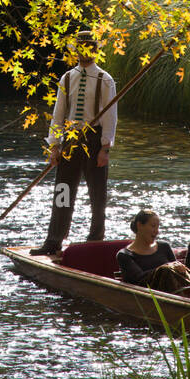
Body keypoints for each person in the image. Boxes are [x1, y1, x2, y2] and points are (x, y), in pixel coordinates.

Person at [30, 30, 117, 256]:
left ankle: (95, 241)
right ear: (76, 50)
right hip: (70, 140)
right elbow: (59, 114)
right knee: (63, 191)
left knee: (97, 194)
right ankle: (54, 241)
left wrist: (105, 148)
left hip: (94, 140)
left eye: (89, 47)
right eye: (81, 47)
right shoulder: (67, 77)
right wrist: (55, 145)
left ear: (96, 50)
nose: (84, 51)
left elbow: (110, 117)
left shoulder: (105, 80)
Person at [116, 208, 190, 292]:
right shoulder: (124, 255)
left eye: (158, 227)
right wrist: (164, 269)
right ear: (139, 225)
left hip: (174, 294)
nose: (157, 231)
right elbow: (138, 281)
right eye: (153, 226)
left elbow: (176, 271)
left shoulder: (164, 246)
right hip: (145, 298)